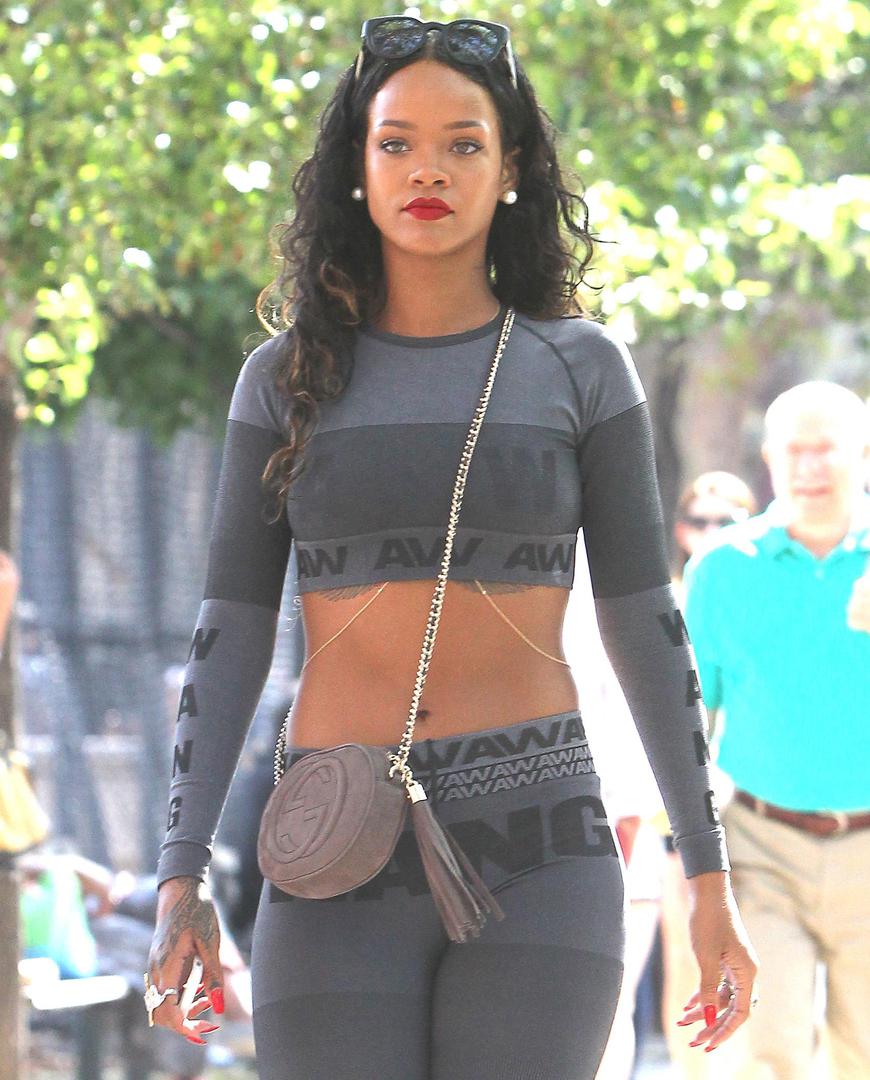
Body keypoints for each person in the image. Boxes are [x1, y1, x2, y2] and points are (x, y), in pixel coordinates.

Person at [147, 16, 756, 1079]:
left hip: (543, 842)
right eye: (396, 142)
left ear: (510, 168)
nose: (427, 168)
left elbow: (646, 624)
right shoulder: (283, 380)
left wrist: (706, 873)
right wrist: (179, 873)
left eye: (463, 143)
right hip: (333, 841)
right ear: (358, 167)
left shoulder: (582, 368)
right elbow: (229, 630)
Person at [684, 382, 870, 1079]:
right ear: (768, 459)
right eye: (794, 450)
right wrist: (686, 848)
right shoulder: (720, 570)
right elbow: (688, 721)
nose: (810, 467)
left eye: (828, 449)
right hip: (761, 850)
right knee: (767, 1055)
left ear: (864, 454)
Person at [662, 472, 758, 1079]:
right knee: (688, 957)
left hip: (758, 807)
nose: (712, 532)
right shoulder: (658, 603)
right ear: (680, 529)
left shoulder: (765, 590)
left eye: (727, 522)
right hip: (685, 812)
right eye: (700, 521)